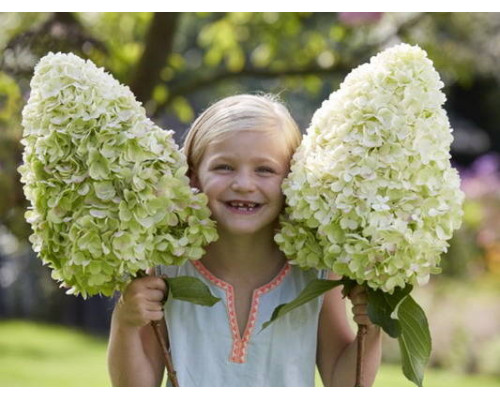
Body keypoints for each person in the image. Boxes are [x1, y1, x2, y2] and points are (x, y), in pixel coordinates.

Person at [107, 94, 382, 387]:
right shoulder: (169, 268)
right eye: (224, 167)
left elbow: (345, 385)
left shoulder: (315, 272)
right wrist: (125, 320)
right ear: (193, 176)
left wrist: (374, 326)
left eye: (265, 170)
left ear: (292, 179)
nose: (243, 184)